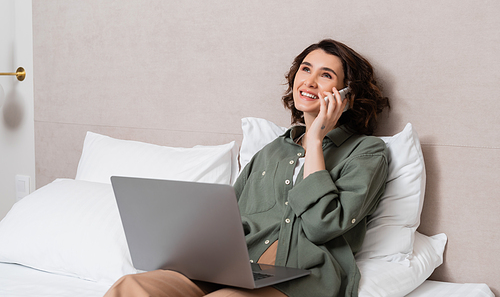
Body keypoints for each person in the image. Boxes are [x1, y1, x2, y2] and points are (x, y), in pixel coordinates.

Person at [104, 39, 390, 297]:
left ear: (347, 96)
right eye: (305, 69)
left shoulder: (367, 152)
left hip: (302, 281)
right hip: (235, 271)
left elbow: (322, 225)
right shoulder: (272, 151)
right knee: (131, 286)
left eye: (325, 75)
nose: (310, 81)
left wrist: (315, 139)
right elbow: (230, 219)